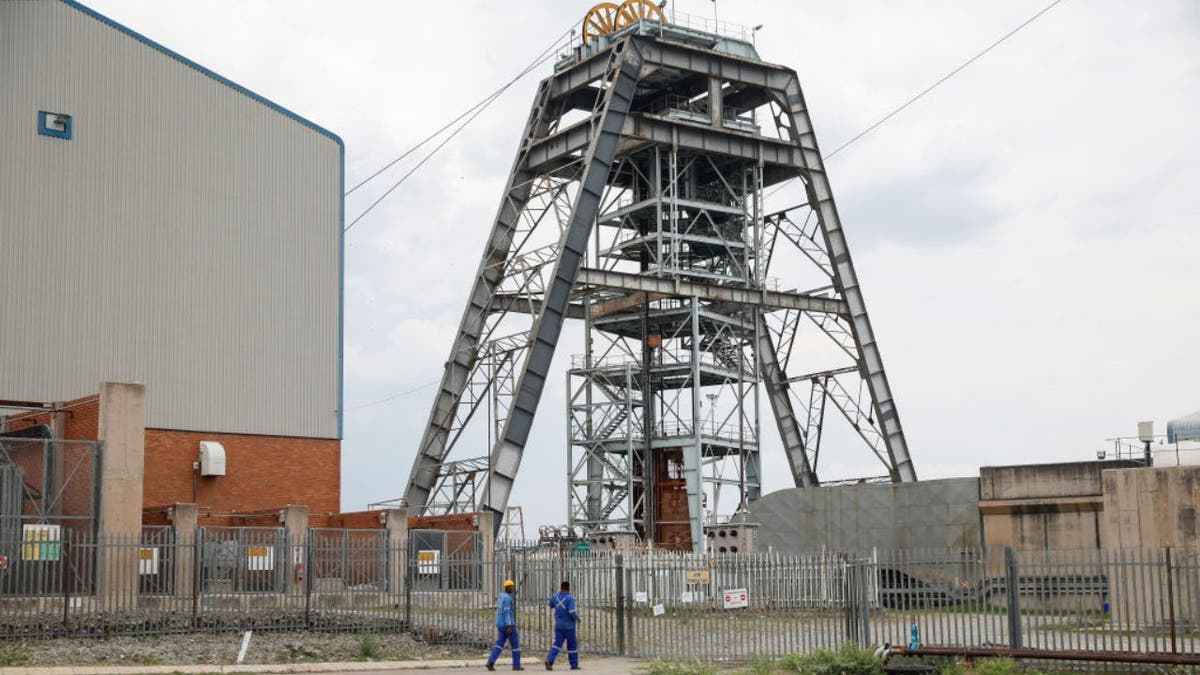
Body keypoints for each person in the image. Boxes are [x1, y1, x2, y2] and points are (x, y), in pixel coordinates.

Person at [544, 580, 580, 670]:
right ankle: (574, 665)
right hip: (569, 626)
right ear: (568, 588)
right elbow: (571, 611)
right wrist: (578, 618)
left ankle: (549, 660)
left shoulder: (555, 596)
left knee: (557, 644)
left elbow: (551, 605)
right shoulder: (569, 598)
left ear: (561, 588)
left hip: (558, 626)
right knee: (572, 645)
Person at [487, 579, 522, 671]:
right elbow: (506, 612)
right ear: (507, 587)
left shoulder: (501, 596)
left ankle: (490, 661)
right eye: (511, 587)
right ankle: (516, 665)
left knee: (499, 644)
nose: (512, 588)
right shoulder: (507, 598)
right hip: (508, 624)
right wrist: (509, 625)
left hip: (500, 623)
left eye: (512, 586)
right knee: (515, 644)